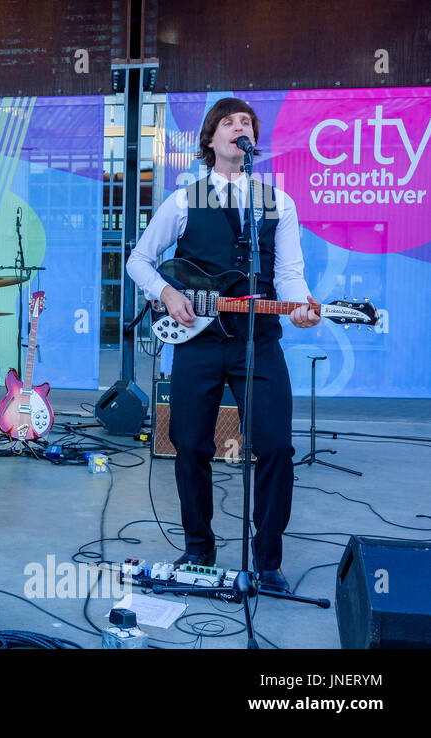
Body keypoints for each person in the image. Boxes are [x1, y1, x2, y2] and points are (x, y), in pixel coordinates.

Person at [126, 97, 320, 593]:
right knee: (190, 443)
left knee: (275, 445)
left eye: (248, 123)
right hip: (199, 341)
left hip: (259, 338)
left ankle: (268, 558)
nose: (241, 128)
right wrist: (166, 293)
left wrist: (299, 307)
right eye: (230, 123)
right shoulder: (185, 199)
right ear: (211, 140)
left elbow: (291, 275)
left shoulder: (279, 201)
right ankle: (199, 547)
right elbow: (139, 261)